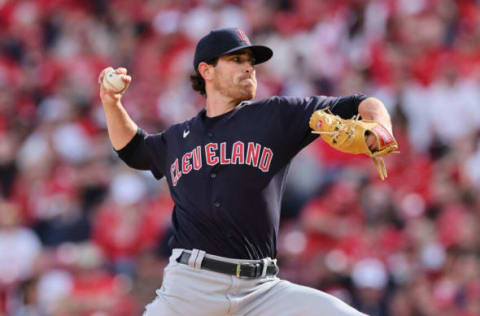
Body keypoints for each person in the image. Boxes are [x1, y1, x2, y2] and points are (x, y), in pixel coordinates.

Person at [98, 27, 392, 316]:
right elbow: (134, 149)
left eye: (251, 62)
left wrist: (379, 125)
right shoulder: (178, 138)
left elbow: (359, 103)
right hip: (189, 290)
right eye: (236, 60)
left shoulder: (276, 115)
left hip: (262, 291)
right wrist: (112, 103)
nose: (249, 68)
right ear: (207, 70)